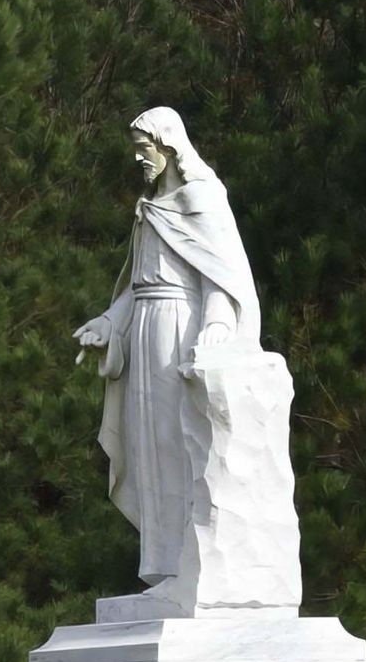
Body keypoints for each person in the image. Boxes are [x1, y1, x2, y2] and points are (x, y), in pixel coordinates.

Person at [73, 107, 262, 590]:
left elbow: (222, 273)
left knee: (180, 439)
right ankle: (163, 563)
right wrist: (108, 322)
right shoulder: (150, 206)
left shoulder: (202, 198)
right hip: (145, 329)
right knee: (149, 442)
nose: (140, 160)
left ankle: (191, 561)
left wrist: (219, 323)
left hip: (181, 327)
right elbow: (138, 285)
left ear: (170, 146)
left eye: (145, 149)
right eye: (136, 151)